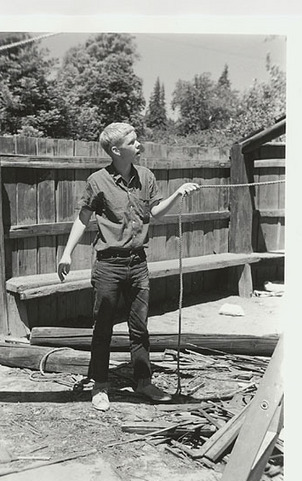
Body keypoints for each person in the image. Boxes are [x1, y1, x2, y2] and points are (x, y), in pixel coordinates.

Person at [58, 122, 199, 411]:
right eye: (133, 141)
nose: (139, 145)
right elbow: (83, 219)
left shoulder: (146, 177)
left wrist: (178, 193)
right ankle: (99, 385)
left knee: (140, 327)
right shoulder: (97, 181)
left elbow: (155, 212)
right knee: (103, 327)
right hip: (109, 266)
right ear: (115, 150)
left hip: (138, 264)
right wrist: (67, 253)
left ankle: (144, 382)